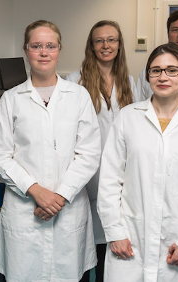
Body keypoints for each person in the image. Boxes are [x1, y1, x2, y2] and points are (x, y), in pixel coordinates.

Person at [97, 42, 178, 281]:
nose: (163, 76)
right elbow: (110, 181)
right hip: (129, 241)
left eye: (172, 70)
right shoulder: (128, 118)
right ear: (148, 76)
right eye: (156, 70)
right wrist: (115, 232)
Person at [0, 20, 101, 282]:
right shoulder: (11, 98)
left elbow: (89, 153)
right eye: (36, 45)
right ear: (26, 50)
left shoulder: (78, 95)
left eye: (50, 45)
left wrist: (59, 196)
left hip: (68, 209)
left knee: (68, 274)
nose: (43, 52)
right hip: (25, 208)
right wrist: (35, 190)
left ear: (59, 50)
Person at [66, 20, 136, 282]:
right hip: (88, 172)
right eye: (99, 40)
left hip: (121, 170)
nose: (106, 45)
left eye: (112, 40)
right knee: (86, 241)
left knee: (114, 240)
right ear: (91, 46)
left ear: (119, 44)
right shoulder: (75, 80)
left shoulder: (129, 81)